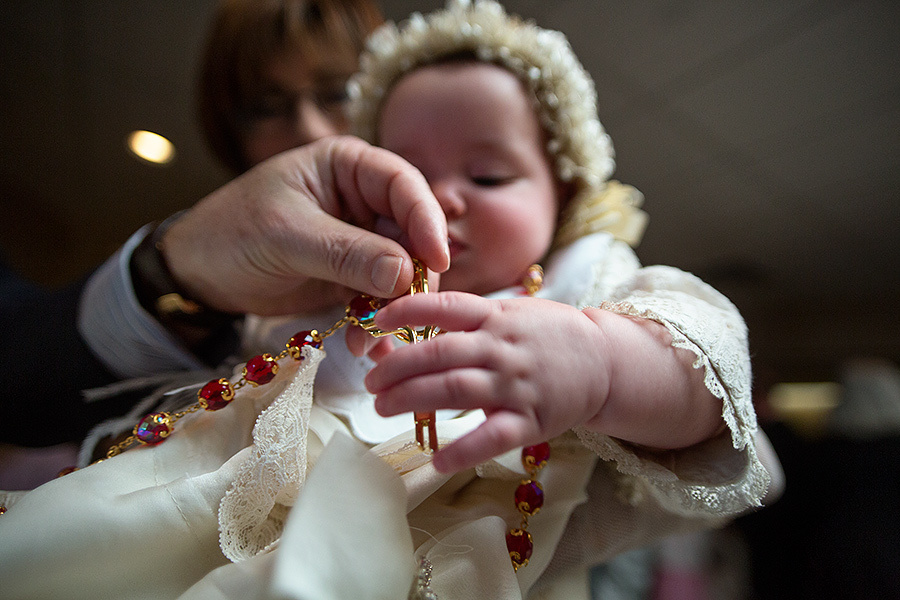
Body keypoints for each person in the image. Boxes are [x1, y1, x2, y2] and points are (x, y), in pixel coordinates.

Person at [0, 2, 772, 599]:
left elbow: (710, 368)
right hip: (216, 525)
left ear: (565, 191)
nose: (439, 198)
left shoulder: (591, 288)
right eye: (405, 170)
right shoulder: (308, 292)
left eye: (489, 176)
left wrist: (605, 364)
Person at [0, 0, 392, 451]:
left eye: (338, 93)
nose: (310, 130)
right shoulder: (213, 301)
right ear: (233, 130)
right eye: (268, 106)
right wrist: (174, 273)